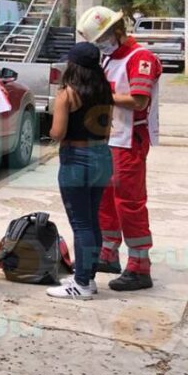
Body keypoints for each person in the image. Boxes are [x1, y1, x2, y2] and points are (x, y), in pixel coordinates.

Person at [77, 7, 161, 291]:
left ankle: (139, 266)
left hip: (129, 139)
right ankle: (108, 253)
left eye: (102, 37)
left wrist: (101, 96)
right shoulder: (109, 59)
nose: (101, 43)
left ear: (117, 30)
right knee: (105, 199)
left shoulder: (141, 58)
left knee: (129, 202)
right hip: (107, 138)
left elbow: (138, 101)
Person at [46, 42, 114, 300]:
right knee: (92, 220)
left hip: (76, 159)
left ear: (72, 65)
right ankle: (89, 276)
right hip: (102, 156)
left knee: (81, 223)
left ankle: (82, 283)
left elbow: (57, 133)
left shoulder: (68, 94)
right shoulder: (104, 90)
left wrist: (54, 115)